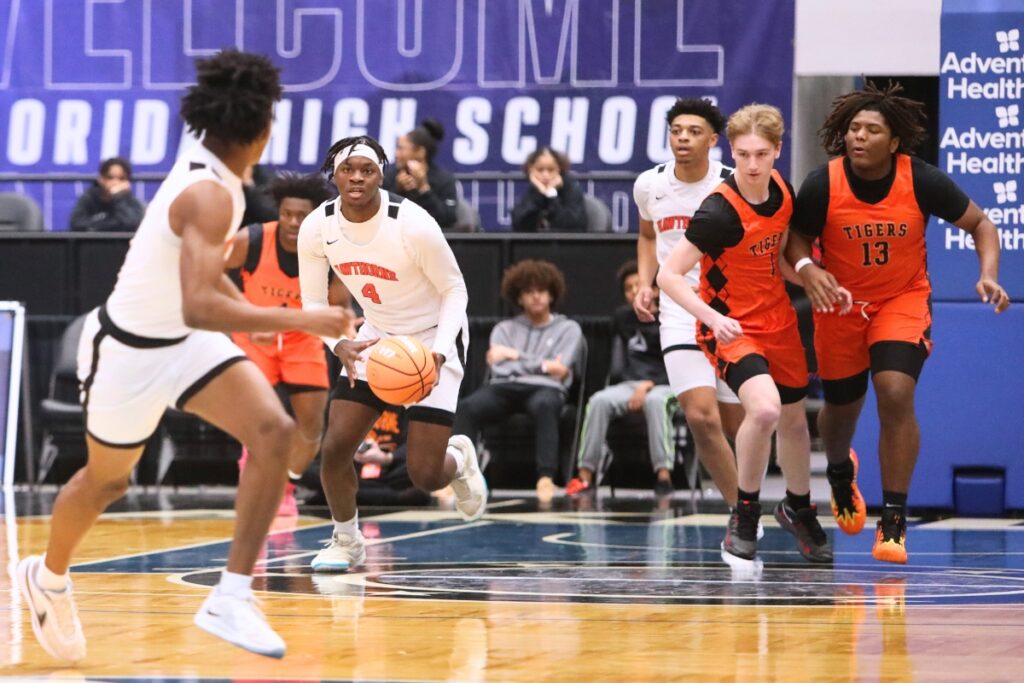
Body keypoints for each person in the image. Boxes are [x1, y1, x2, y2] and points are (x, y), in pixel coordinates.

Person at [15, 50, 350, 662]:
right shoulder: (210, 195)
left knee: (275, 432)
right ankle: (48, 576)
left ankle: (231, 595)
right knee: (106, 483)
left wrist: (308, 328)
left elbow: (198, 295)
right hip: (128, 352)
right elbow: (199, 304)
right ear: (258, 131)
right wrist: (304, 316)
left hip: (185, 345)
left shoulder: (217, 171)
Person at [786, 82, 1010, 564]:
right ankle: (842, 470)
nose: (858, 136)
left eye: (872, 129)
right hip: (841, 305)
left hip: (900, 301)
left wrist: (987, 275)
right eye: (852, 128)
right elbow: (796, 242)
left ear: (894, 142)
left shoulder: (921, 179)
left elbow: (982, 225)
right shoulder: (822, 183)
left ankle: (893, 519)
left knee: (894, 391)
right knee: (841, 413)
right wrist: (810, 269)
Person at [297, 134, 487, 573]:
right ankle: (346, 541)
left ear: (382, 175)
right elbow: (311, 301)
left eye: (368, 170)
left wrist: (438, 355)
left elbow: (455, 289)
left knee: (425, 475)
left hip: (434, 336)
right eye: (348, 170)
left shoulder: (412, 222)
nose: (358, 178)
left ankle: (458, 459)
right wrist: (337, 343)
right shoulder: (318, 226)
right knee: (335, 450)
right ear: (335, 175)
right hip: (378, 338)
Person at [658, 103, 834, 568]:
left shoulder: (781, 190)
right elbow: (669, 276)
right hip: (730, 325)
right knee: (766, 410)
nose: (752, 165)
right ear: (731, 153)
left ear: (777, 150)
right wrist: (711, 319)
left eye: (760, 154)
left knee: (796, 421)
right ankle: (745, 512)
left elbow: (776, 260)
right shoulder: (718, 210)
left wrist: (818, 279)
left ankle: (798, 506)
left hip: (777, 319)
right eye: (742, 155)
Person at [632, 98, 744, 511]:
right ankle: (742, 513)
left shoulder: (733, 183)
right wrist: (646, 284)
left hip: (731, 307)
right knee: (700, 416)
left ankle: (762, 493)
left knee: (739, 425)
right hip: (679, 309)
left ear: (713, 140)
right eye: (676, 130)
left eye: (693, 131)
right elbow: (647, 237)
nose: (682, 137)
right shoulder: (649, 184)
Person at [224, 172, 342, 516]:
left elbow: (339, 307)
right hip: (254, 337)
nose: (292, 222)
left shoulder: (328, 253)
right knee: (260, 420)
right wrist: (244, 314)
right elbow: (209, 271)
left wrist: (347, 331)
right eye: (286, 213)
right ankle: (254, 477)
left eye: (301, 216)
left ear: (314, 218)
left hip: (302, 340)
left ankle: (285, 485)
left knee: (311, 427)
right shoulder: (252, 240)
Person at [453, 259, 584, 503]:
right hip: (504, 387)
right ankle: (461, 475)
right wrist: (544, 364)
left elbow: (561, 370)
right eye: (528, 292)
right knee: (467, 407)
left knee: (546, 405)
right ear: (518, 297)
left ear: (552, 294)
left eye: (541, 291)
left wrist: (515, 356)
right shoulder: (503, 329)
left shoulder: (569, 329)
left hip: (546, 389)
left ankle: (546, 477)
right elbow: (499, 368)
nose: (535, 297)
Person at [567, 260, 676, 498]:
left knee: (655, 402)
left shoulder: (672, 316)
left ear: (655, 289)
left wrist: (648, 385)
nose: (635, 291)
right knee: (598, 400)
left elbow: (677, 363)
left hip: (667, 385)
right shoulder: (623, 317)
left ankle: (663, 476)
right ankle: (586, 476)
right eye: (629, 288)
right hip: (630, 384)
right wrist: (637, 385)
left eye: (640, 285)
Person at [381, 119, 458, 230]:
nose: (396, 154)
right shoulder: (390, 177)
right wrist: (397, 190)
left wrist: (424, 189)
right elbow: (381, 215)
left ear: (421, 152)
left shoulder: (445, 180)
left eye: (401, 148)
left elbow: (448, 219)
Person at [511, 147, 587, 232]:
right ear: (530, 171)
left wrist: (551, 194)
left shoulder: (571, 188)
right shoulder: (534, 191)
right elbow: (518, 225)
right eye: (540, 170)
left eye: (551, 170)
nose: (546, 176)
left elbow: (570, 225)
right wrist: (540, 194)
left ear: (559, 170)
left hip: (567, 244)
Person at [68, 157, 146, 232]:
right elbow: (76, 224)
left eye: (121, 178)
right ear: (101, 179)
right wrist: (114, 225)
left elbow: (132, 225)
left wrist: (118, 197)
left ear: (128, 182)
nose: (116, 182)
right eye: (110, 177)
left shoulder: (131, 201)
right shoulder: (89, 197)